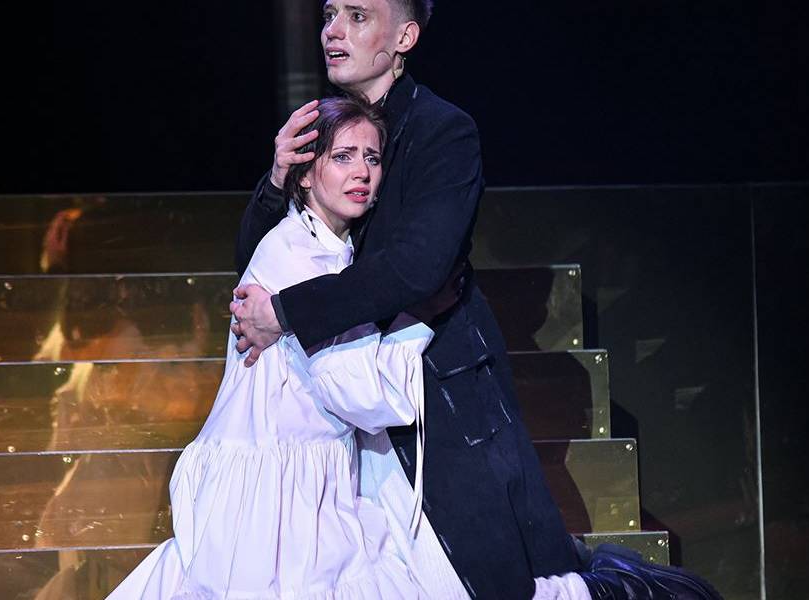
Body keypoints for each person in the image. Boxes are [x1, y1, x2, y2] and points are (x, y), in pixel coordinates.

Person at [230, 2, 723, 599]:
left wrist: (286, 313)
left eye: (358, 16)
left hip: (441, 384)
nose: (333, 30)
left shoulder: (443, 131)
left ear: (405, 36)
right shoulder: (327, 127)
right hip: (352, 395)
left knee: (496, 579)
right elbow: (263, 266)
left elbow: (418, 267)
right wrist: (276, 180)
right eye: (331, 14)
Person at [106, 96, 473, 599]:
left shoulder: (332, 252)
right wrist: (420, 318)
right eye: (342, 156)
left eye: (372, 157)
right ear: (304, 175)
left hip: (305, 484)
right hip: (275, 504)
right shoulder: (295, 255)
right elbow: (362, 397)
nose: (362, 172)